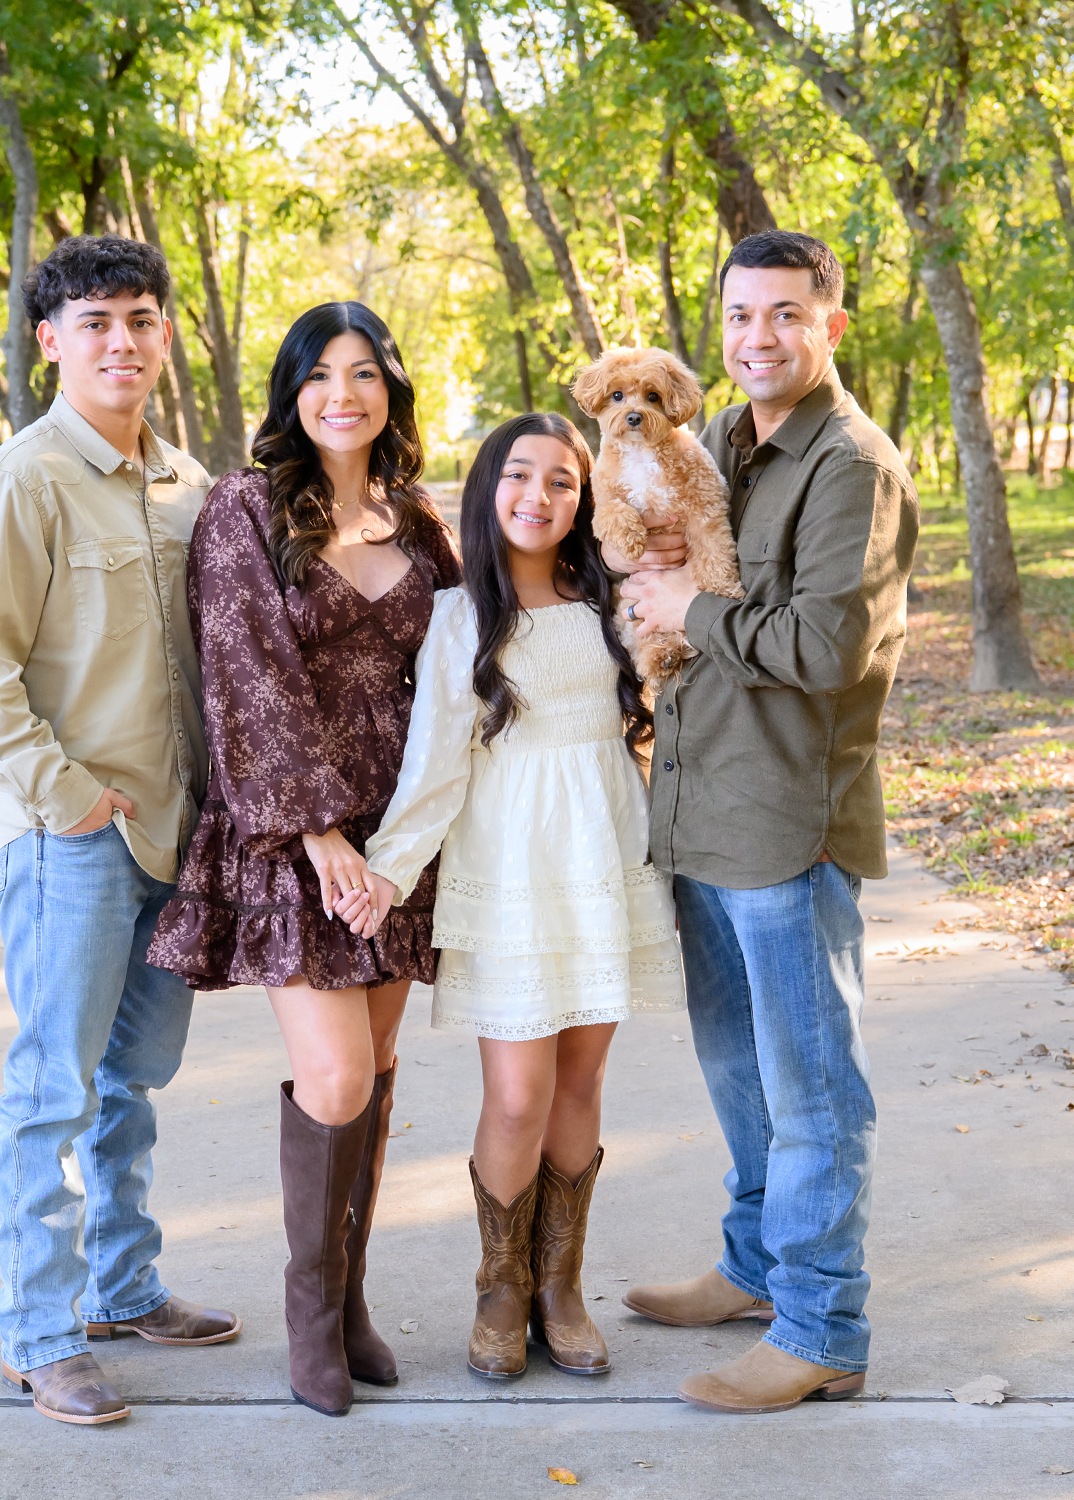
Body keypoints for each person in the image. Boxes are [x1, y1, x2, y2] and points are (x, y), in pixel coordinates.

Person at [0, 235, 240, 1429]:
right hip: (70, 831)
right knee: (53, 1084)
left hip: (171, 831)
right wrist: (61, 795)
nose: (123, 340)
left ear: (166, 337)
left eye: (142, 319)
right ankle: (42, 1330)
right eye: (96, 321)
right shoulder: (19, 480)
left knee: (135, 1078)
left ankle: (122, 1284)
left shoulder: (190, 485)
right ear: (49, 339)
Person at [613, 230, 918, 1415]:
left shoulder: (851, 462)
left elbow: (826, 648)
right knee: (739, 1069)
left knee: (811, 1089)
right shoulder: (726, 443)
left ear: (829, 327)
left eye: (786, 316)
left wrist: (691, 607)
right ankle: (753, 1269)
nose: (759, 339)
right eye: (741, 317)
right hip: (702, 805)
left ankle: (823, 1324)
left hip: (789, 822)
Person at [145, 301, 460, 1417]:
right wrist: (321, 837)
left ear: (392, 389)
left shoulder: (420, 517)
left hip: (406, 832)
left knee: (374, 1076)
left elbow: (468, 661)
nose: (343, 393)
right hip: (295, 828)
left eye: (365, 372)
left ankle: (355, 1298)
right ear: (291, 391)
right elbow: (244, 677)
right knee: (331, 1076)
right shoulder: (245, 508)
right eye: (320, 374)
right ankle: (308, 1318)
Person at [357, 412, 684, 1382]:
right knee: (517, 1092)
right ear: (488, 488)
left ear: (585, 501)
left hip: (604, 861)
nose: (538, 499)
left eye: (561, 483)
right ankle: (499, 1288)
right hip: (511, 869)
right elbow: (432, 765)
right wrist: (388, 868)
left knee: (580, 1084)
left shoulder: (612, 601)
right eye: (520, 477)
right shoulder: (460, 614)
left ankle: (559, 1289)